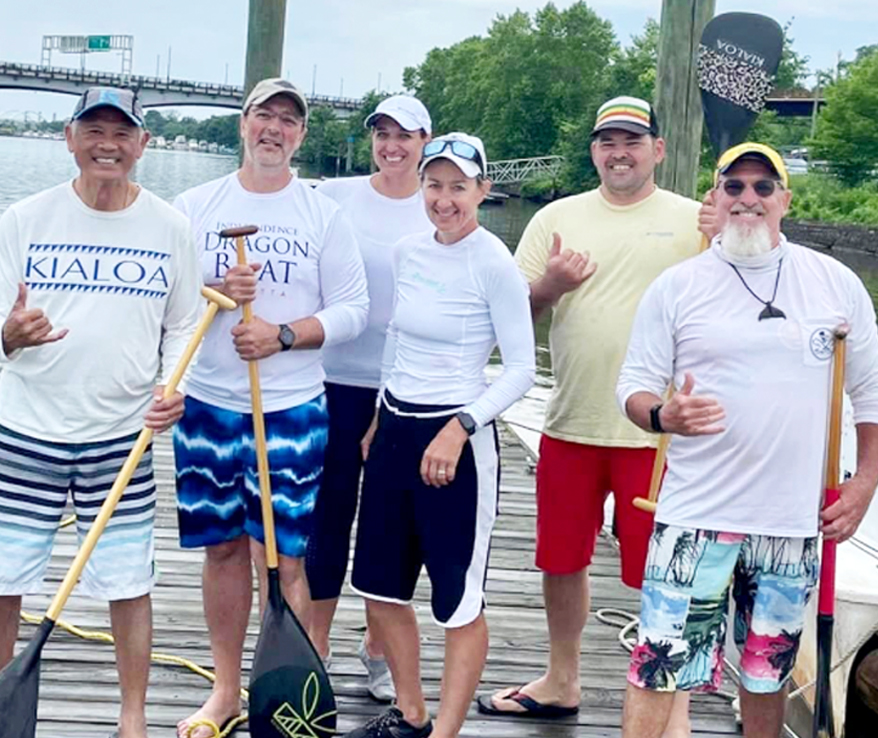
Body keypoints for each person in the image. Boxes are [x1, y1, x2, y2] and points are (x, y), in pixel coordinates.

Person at [616, 142, 878, 738]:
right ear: (716, 197)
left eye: (764, 187)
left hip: (791, 520)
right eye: (734, 187)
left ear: (785, 200)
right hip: (694, 518)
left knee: (767, 674)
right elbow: (632, 387)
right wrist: (663, 415)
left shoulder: (834, 284)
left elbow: (872, 393)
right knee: (658, 668)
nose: (748, 199)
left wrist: (864, 483)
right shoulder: (678, 286)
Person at [478, 96, 700, 734]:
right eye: (607, 141)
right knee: (560, 558)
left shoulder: (696, 221)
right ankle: (561, 678)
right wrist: (550, 284)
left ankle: (670, 704)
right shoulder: (556, 217)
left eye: (633, 139)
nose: (619, 151)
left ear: (657, 149)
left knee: (661, 574)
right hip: (571, 420)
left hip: (657, 435)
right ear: (593, 151)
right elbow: (513, 319)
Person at [0, 87, 202, 738]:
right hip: (26, 427)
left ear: (143, 144)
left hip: (123, 437)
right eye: (94, 130)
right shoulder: (23, 220)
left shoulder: (169, 227)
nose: (107, 143)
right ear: (68, 138)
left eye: (122, 132)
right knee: (4, 581)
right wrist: (10, 337)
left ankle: (133, 718)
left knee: (127, 584)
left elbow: (185, 324)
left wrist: (175, 388)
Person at [171, 78, 369, 738]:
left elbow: (353, 311)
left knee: (281, 558)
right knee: (223, 552)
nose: (274, 129)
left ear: (300, 135)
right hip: (209, 406)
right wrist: (215, 292)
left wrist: (283, 334)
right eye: (264, 115)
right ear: (243, 124)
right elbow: (167, 299)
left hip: (288, 409)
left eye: (289, 120)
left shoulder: (321, 214)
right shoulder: (194, 206)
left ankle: (283, 691)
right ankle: (226, 691)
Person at [343, 133, 536, 738]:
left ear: (483, 189)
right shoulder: (408, 251)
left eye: (459, 186)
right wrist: (379, 413)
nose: (444, 199)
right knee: (378, 584)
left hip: (459, 439)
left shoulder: (494, 262)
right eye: (434, 184)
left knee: (458, 599)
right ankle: (410, 712)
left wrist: (460, 427)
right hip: (397, 428)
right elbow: (397, 335)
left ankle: (447, 732)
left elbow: (523, 370)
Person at [306, 94, 433, 702]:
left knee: (391, 525)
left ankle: (378, 646)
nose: (392, 146)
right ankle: (317, 642)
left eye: (405, 136)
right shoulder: (331, 196)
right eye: (383, 134)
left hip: (402, 391)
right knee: (328, 516)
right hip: (330, 380)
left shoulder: (439, 206)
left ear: (424, 140)